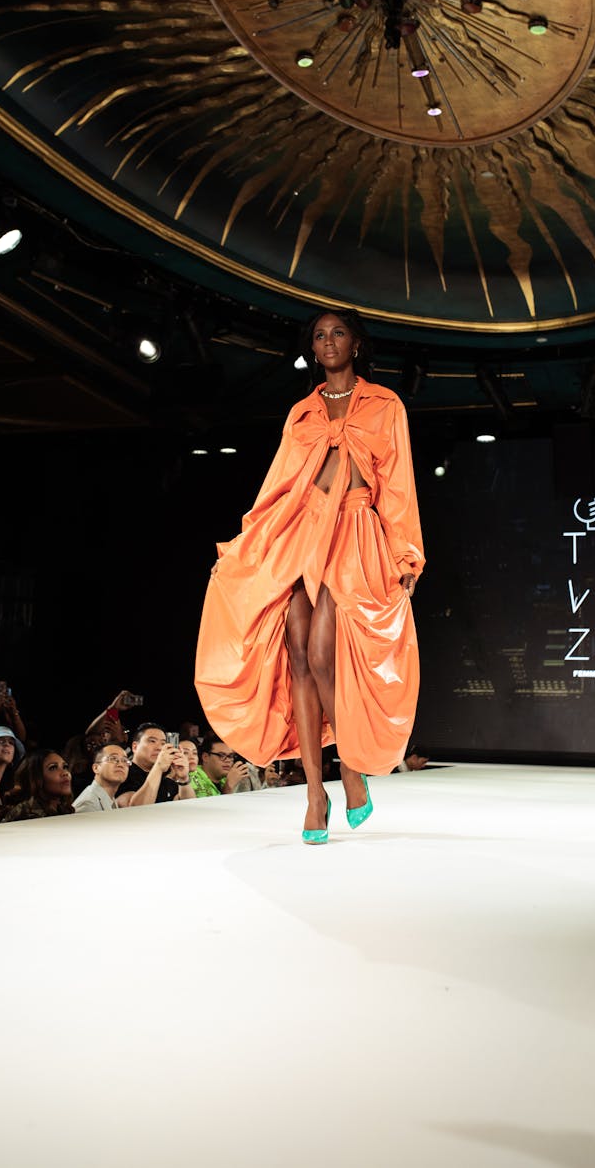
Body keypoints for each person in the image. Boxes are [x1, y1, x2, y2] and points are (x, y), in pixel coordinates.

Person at [195, 308, 424, 843]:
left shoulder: (385, 405)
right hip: (298, 532)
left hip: (353, 531)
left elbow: (399, 482)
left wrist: (405, 555)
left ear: (357, 344)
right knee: (298, 653)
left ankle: (350, 767)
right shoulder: (301, 413)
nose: (328, 342)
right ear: (312, 348)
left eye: (338, 333)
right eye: (320, 335)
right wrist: (246, 546)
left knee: (323, 653)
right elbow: (278, 485)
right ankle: (315, 795)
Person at [116, 724, 194, 807]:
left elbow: (189, 808)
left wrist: (183, 779)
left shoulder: (166, 777)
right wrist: (159, 767)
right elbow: (136, 810)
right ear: (135, 747)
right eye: (152, 741)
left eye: (163, 743)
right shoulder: (123, 772)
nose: (159, 748)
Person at [0, 749, 75, 822]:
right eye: (53, 768)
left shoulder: (62, 808)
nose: (65, 773)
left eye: (65, 767)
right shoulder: (25, 815)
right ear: (35, 777)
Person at [189, 732, 250, 798]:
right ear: (205, 757)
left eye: (230, 756)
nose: (228, 760)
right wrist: (228, 787)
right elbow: (208, 807)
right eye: (221, 755)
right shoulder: (191, 778)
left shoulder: (228, 778)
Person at [72, 744, 129, 813]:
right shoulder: (88, 805)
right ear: (96, 768)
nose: (120, 765)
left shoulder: (109, 797)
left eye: (124, 760)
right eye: (113, 759)